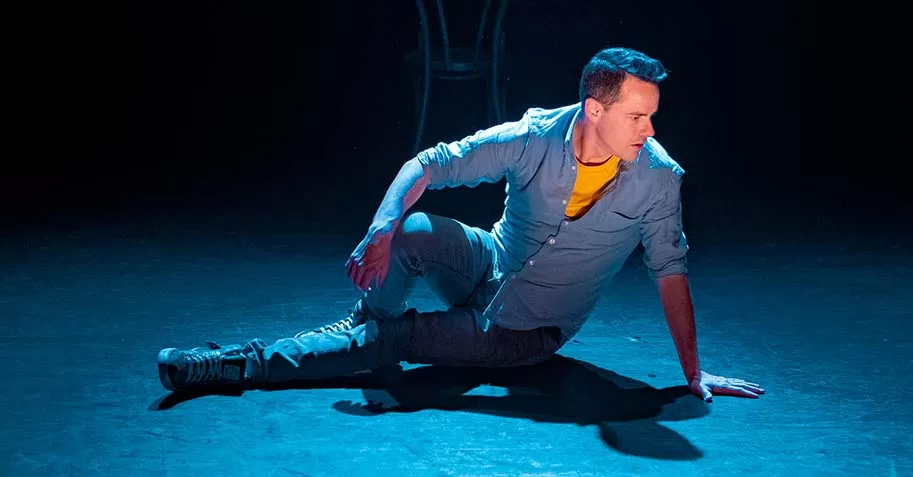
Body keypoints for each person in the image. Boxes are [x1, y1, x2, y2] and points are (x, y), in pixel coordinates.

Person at [157, 47, 765, 403]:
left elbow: (670, 270)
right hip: (489, 262)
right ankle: (362, 332)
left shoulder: (658, 177)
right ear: (595, 110)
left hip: (526, 328)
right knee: (412, 230)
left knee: (395, 341)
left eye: (652, 117)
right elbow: (430, 163)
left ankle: (236, 363)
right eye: (638, 116)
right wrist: (381, 228)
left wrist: (692, 373)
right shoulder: (532, 137)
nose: (650, 131)